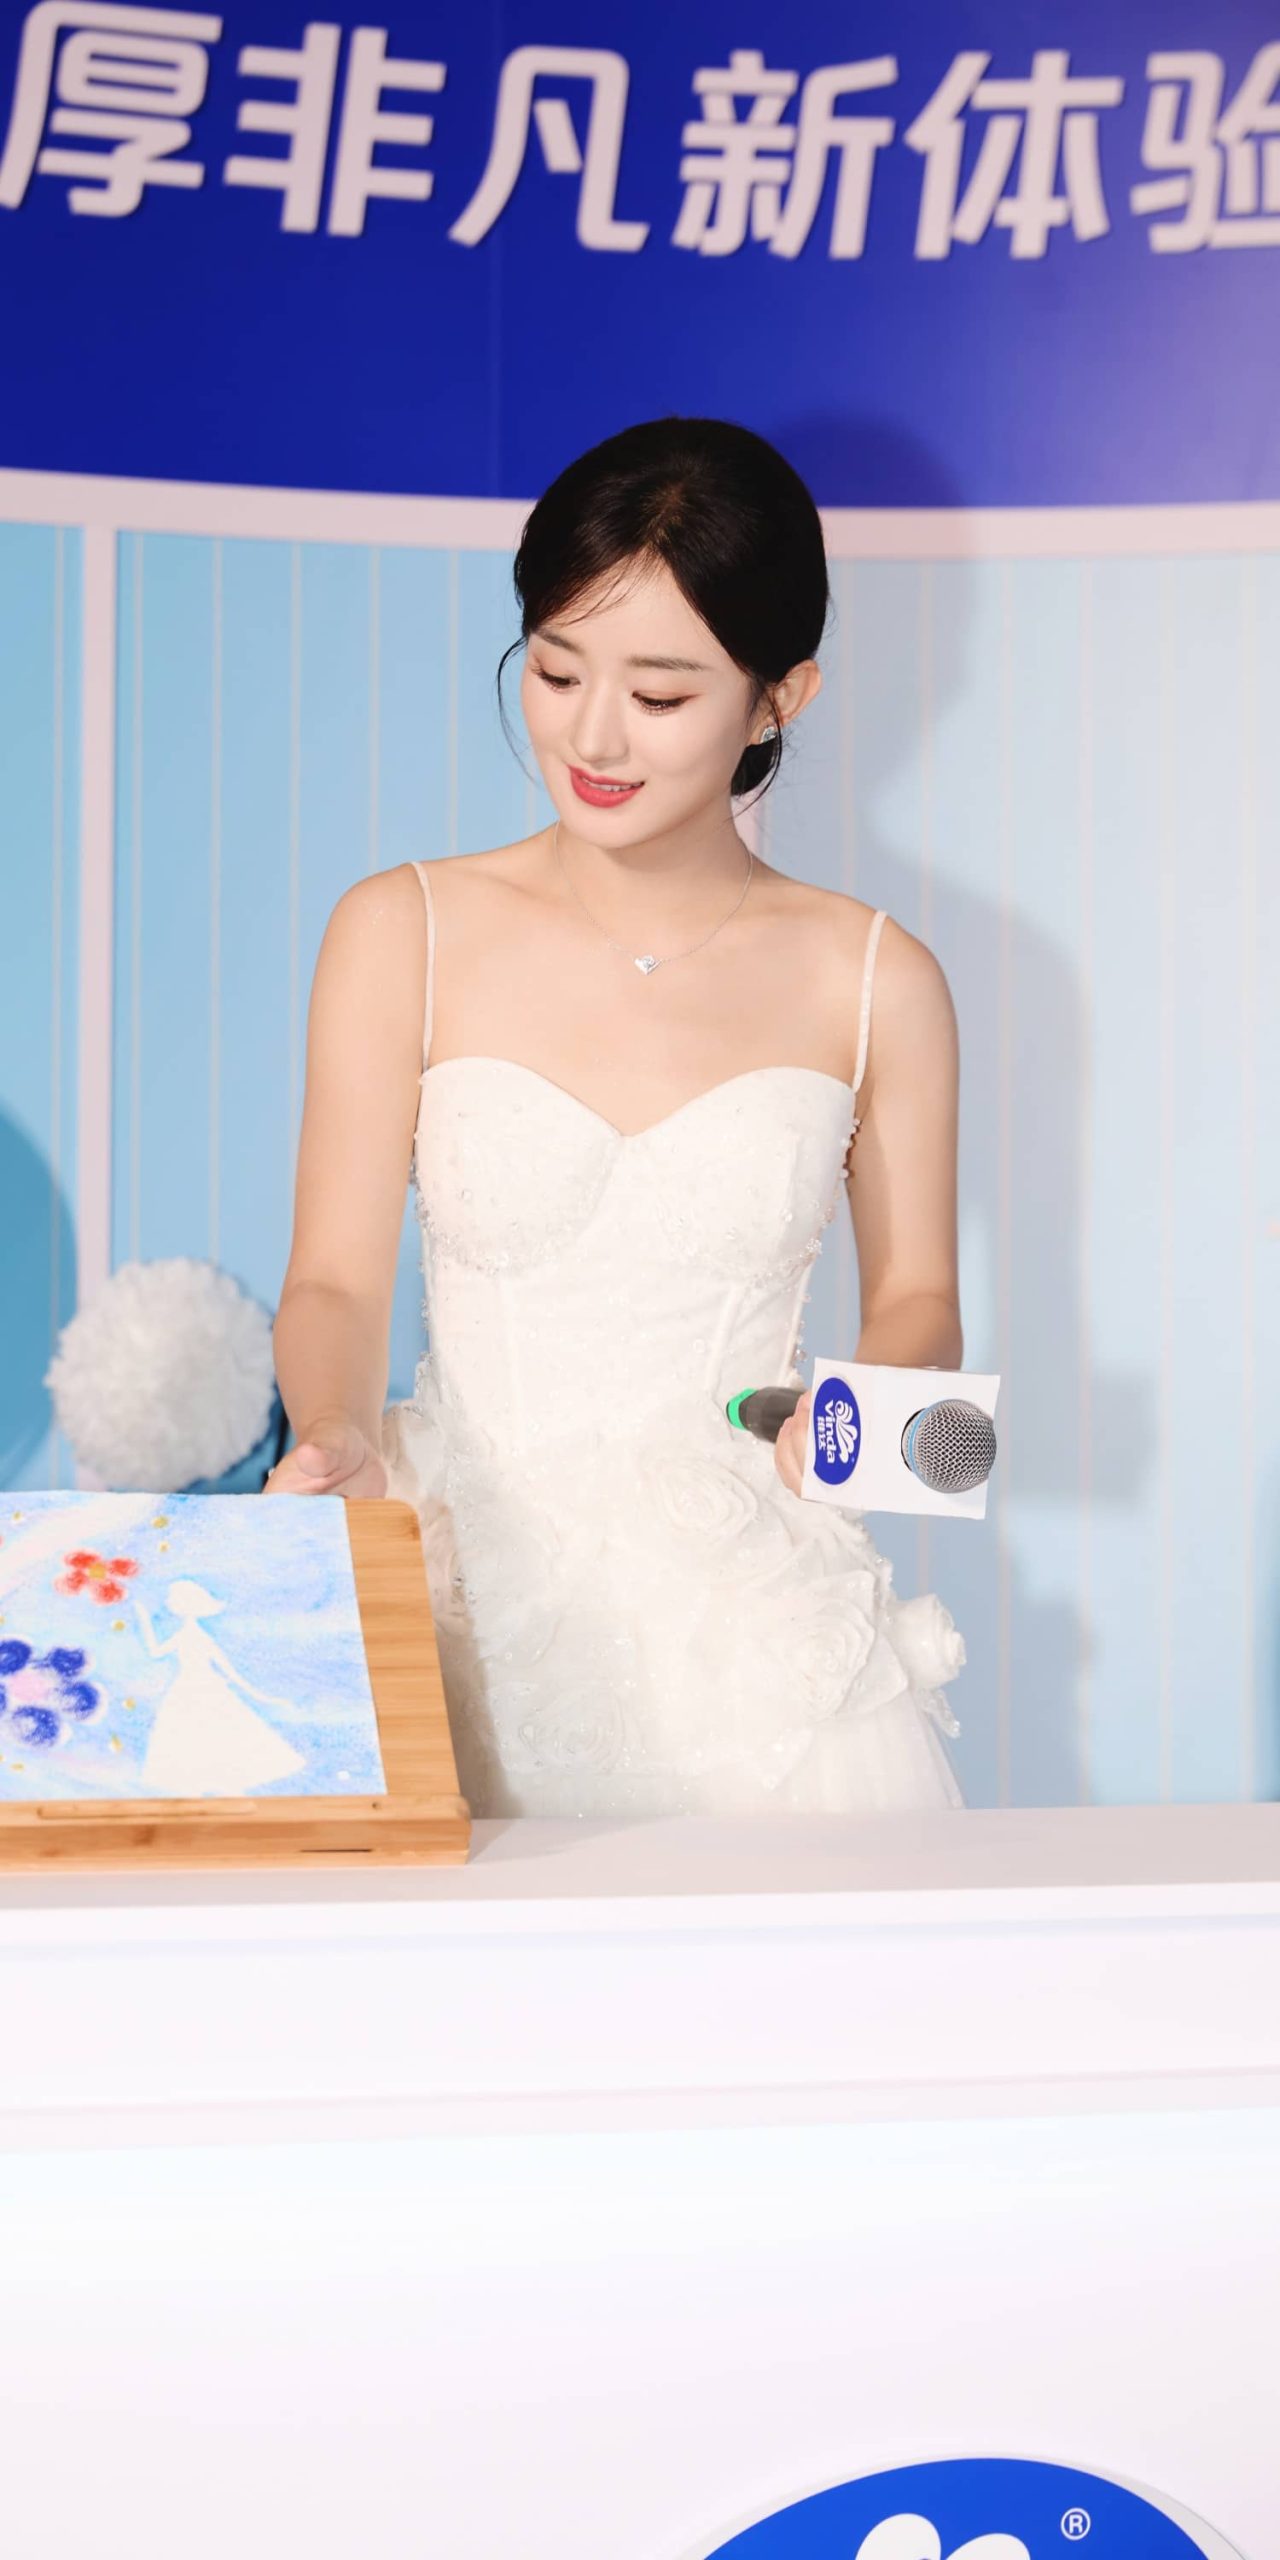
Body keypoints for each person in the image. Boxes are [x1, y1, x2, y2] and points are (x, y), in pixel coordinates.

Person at [266, 415, 968, 1817]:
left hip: (764, 1653)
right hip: (471, 1613)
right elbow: (334, 1278)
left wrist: (851, 1421)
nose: (592, 735)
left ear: (779, 698)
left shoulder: (875, 977)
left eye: (659, 694)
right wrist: (335, 1432)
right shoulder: (401, 931)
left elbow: (923, 1303)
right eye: (557, 669)